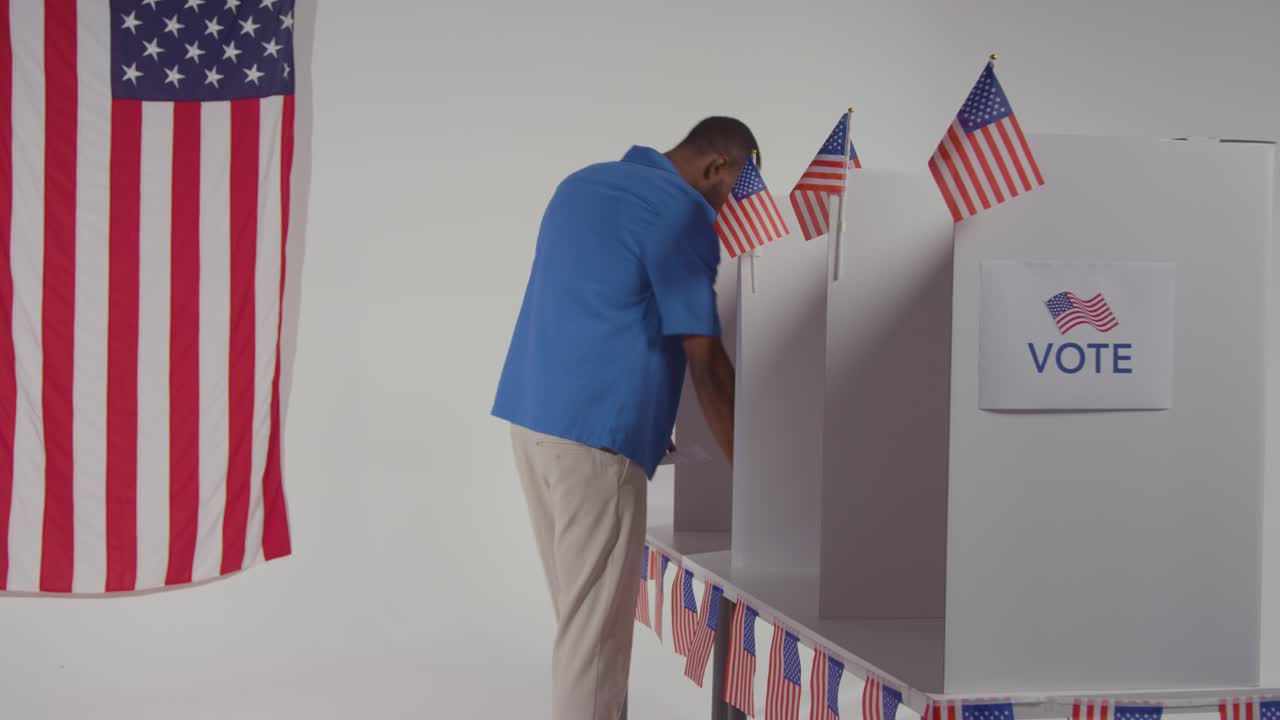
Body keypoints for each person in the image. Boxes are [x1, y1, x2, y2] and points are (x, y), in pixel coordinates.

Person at [492, 117, 753, 719]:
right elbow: (706, 362)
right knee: (594, 641)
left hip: (532, 419)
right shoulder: (680, 212)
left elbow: (603, 299)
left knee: (583, 628)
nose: (725, 210)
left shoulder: (579, 184)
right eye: (730, 191)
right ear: (716, 166)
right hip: (596, 439)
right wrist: (755, 476)